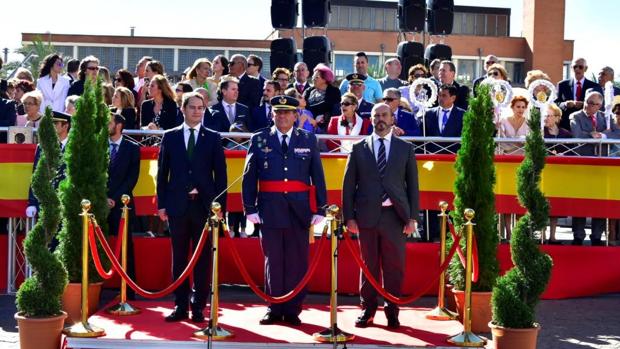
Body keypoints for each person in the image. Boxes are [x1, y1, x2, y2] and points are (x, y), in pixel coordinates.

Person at [242, 95, 327, 326]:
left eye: (287, 112)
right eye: (278, 112)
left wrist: (321, 207)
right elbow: (249, 176)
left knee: (297, 260)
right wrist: (249, 207)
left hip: (299, 210)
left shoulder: (308, 139)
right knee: (274, 259)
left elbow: (317, 175)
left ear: (296, 115)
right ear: (272, 114)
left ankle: (293, 308)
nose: (282, 116)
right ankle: (274, 306)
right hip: (269, 209)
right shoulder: (260, 139)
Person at [342, 102, 420, 330]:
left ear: (392, 118)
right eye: (376, 116)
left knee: (394, 266)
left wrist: (412, 217)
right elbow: (348, 186)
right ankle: (367, 309)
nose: (380, 119)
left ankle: (392, 310)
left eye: (384, 115)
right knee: (369, 266)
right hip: (366, 217)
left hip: (395, 217)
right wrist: (349, 217)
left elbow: (413, 186)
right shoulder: (358, 149)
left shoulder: (405, 149)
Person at [157, 91, 227, 322]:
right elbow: (162, 174)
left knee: (203, 259)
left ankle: (199, 307)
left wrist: (219, 208)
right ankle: (180, 305)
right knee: (179, 258)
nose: (197, 111)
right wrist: (162, 204)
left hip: (204, 207)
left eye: (201, 108)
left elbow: (221, 176)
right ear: (183, 109)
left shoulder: (213, 137)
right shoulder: (170, 136)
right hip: (177, 206)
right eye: (193, 107)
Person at [569, 91, 620, 245]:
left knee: (599, 201)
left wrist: (603, 135)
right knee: (580, 201)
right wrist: (593, 135)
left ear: (600, 105)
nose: (589, 105)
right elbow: (577, 135)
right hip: (583, 164)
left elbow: (616, 133)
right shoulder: (576, 116)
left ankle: (597, 235)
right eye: (588, 102)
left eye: (594, 104)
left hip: (601, 165)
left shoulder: (605, 117)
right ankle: (578, 235)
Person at [107, 112, 140, 299]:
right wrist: (103, 197)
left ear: (119, 125)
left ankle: (129, 288)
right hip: (100, 203)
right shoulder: (98, 145)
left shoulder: (132, 148)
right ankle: (96, 286)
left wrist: (114, 198)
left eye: (109, 122)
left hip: (122, 206)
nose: (106, 125)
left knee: (126, 247)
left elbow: (131, 179)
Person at [26, 111, 71, 221]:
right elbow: (36, 175)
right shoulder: (43, 147)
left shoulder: (76, 146)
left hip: (68, 202)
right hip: (47, 203)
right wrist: (32, 202)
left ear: (66, 126)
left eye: (55, 124)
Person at [542, 103, 572, 245]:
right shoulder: (539, 132)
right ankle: (541, 235)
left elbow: (572, 153)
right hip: (543, 172)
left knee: (555, 207)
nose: (546, 118)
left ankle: (553, 236)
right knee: (542, 205)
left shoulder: (565, 133)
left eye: (549, 115)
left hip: (559, 174)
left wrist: (562, 155)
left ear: (557, 118)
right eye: (545, 115)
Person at [555, 58, 601, 130]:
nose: (577, 69)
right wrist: (565, 104)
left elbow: (598, 105)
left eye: (580, 67)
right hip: (566, 125)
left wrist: (584, 105)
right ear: (571, 68)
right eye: (575, 67)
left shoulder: (594, 86)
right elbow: (555, 103)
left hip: (586, 126)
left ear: (585, 69)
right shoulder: (562, 85)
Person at [304, 63, 341, 132]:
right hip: (309, 125)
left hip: (328, 127)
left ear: (325, 79)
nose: (313, 79)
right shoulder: (308, 91)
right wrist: (314, 118)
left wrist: (324, 117)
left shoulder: (334, 91)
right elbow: (302, 107)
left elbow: (335, 110)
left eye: (316, 77)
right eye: (313, 77)